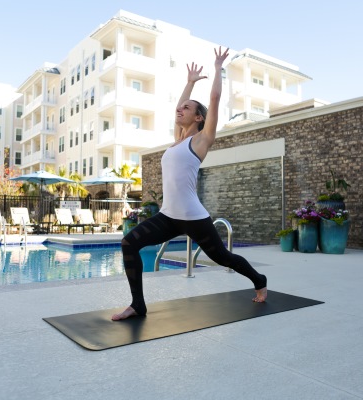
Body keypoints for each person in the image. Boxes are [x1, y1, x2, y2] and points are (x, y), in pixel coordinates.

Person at [112, 47, 267, 321]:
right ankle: (138, 305)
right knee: (128, 243)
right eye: (179, 108)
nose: (180, 110)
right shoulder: (178, 139)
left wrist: (218, 67)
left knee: (222, 257)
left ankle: (259, 279)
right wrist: (190, 82)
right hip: (168, 216)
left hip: (194, 217)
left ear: (198, 118)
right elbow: (179, 105)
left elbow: (215, 98)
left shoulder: (201, 140)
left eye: (187, 108)